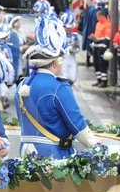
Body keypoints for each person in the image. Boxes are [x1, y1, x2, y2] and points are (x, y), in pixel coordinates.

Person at [15, 12, 100, 158]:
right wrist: (95, 144)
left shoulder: (21, 84)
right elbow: (76, 124)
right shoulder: (59, 87)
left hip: (25, 154)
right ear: (56, 63)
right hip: (53, 154)